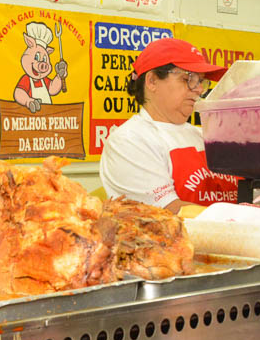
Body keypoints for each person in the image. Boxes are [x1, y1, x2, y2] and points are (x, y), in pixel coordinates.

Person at [99, 37, 238, 213]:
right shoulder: (129, 141)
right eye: (188, 78)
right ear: (152, 81)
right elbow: (169, 212)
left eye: (201, 81)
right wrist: (248, 219)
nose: (199, 89)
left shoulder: (205, 135)